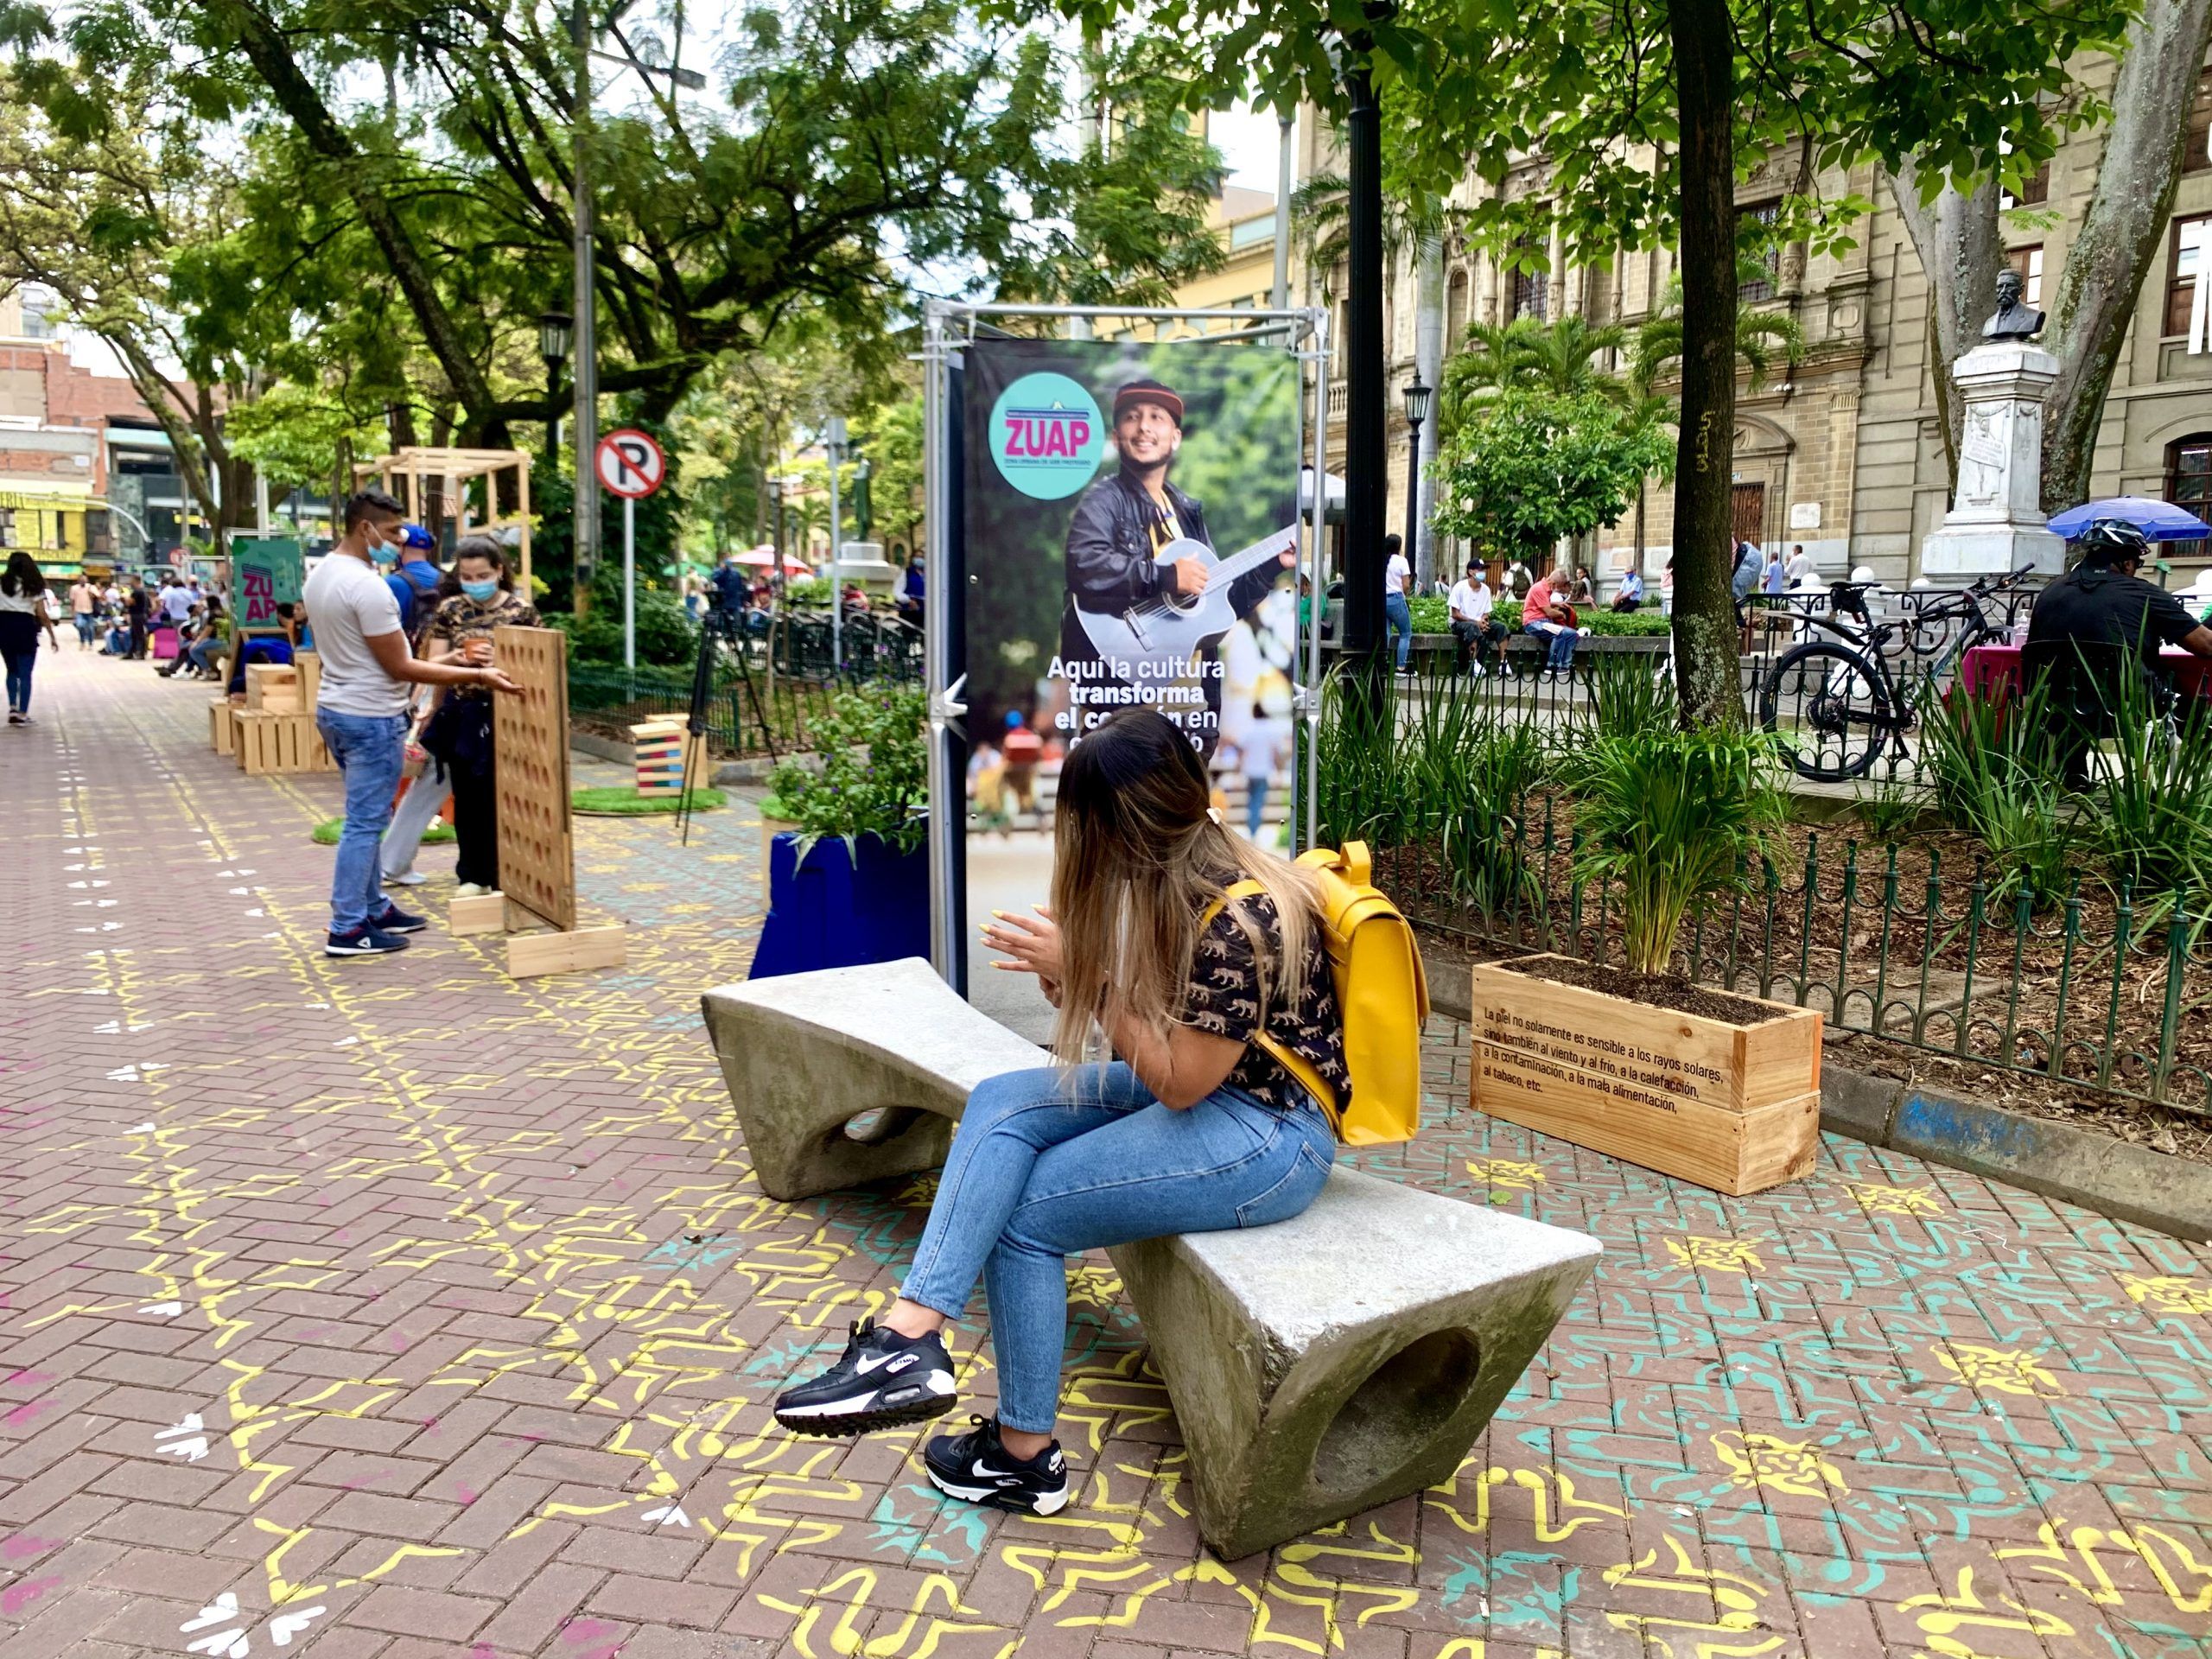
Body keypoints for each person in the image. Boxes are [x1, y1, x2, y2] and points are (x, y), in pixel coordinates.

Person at [771, 708, 1344, 1514]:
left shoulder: (1241, 915)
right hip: (1226, 1096)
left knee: (1025, 1216)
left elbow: (1181, 1081)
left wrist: (1091, 981)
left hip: (1267, 1138)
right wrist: (1081, 981)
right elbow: (1169, 1030)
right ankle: (909, 1337)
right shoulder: (1181, 869)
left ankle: (1023, 1454)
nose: (1070, 837)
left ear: (1120, 825)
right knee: (1007, 1099)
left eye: (1079, 820)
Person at [304, 489, 518, 957]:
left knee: (370, 815)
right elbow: (402, 666)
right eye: (392, 531)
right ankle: (347, 927)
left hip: (336, 708)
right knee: (365, 823)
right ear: (366, 529)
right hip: (369, 716)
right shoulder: (368, 587)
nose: (399, 540)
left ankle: (375, 907)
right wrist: (477, 672)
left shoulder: (321, 576)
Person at [1061, 377, 1293, 752]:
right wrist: (1165, 576)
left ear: (1176, 437)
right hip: (1126, 696)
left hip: (1189, 708)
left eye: (1157, 417)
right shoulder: (1104, 500)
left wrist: (1270, 567)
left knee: (1186, 808)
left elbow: (1216, 608)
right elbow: (1086, 567)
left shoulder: (1185, 512)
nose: (1144, 427)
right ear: (1118, 434)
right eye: (1132, 417)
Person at [2024, 518, 2212, 786]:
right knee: (2190, 701)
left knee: (2076, 685)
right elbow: (2205, 646)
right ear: (2127, 563)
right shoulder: (2144, 593)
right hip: (2128, 707)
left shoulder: (2050, 593)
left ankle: (2074, 777)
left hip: (2056, 704)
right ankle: (2199, 789)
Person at [420, 537, 539, 897]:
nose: (476, 582)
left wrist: (500, 661)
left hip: (510, 713)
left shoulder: (522, 612)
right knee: (468, 796)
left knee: (509, 795)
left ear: (499, 571)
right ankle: (473, 875)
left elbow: (539, 666)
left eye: (483, 574)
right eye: (468, 576)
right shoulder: (451, 610)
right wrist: (457, 661)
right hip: (464, 714)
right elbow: (430, 665)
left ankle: (510, 874)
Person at [0, 552, 57, 724]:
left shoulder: (2, 582)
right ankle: (23, 713)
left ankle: (12, 709)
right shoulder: (33, 585)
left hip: (4, 627)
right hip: (25, 627)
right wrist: (52, 635)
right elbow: (41, 613)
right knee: (25, 674)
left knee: (11, 670)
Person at [1521, 564, 1582, 678]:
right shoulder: (1539, 588)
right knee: (1560, 632)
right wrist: (1561, 613)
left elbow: (1543, 604)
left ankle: (1565, 665)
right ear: (1554, 583)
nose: (1558, 589)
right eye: (1559, 586)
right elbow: (1549, 611)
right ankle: (1552, 665)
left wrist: (1557, 604)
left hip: (1543, 622)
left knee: (1572, 634)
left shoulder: (1546, 588)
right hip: (1533, 622)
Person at [1448, 559, 1507, 677]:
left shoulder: (1486, 590)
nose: (1483, 572)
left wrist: (1484, 622)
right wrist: (1477, 623)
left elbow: (1486, 612)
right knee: (1472, 628)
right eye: (1480, 569)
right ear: (1470, 572)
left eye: (1484, 569)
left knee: (1500, 627)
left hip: (1478, 622)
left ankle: (1503, 663)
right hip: (1459, 623)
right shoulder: (1459, 587)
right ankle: (1473, 664)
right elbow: (1455, 614)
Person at [1382, 533, 1414, 673]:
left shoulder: (1382, 561)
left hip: (1383, 599)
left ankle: (1381, 662)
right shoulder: (1402, 561)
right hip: (1396, 598)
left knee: (1386, 633)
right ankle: (1401, 666)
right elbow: (1406, 585)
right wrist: (1404, 596)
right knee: (1406, 633)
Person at [68, 575, 97, 650]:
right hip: (79, 611)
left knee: (90, 628)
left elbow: (98, 596)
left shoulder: (91, 587)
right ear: (78, 581)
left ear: (87, 580)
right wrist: (72, 611)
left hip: (89, 611)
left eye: (84, 580)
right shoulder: (74, 588)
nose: (83, 581)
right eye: (81, 580)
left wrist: (91, 593)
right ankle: (82, 641)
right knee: (80, 626)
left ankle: (90, 643)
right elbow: (72, 600)